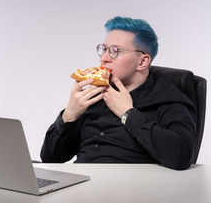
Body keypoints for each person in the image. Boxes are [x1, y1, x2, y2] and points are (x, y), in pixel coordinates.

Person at [40, 16, 196, 170]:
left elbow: (182, 157)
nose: (104, 59)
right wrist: (69, 115)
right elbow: (51, 158)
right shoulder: (94, 94)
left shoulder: (169, 97)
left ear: (142, 62)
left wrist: (127, 114)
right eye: (104, 49)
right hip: (83, 185)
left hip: (132, 190)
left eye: (115, 51)